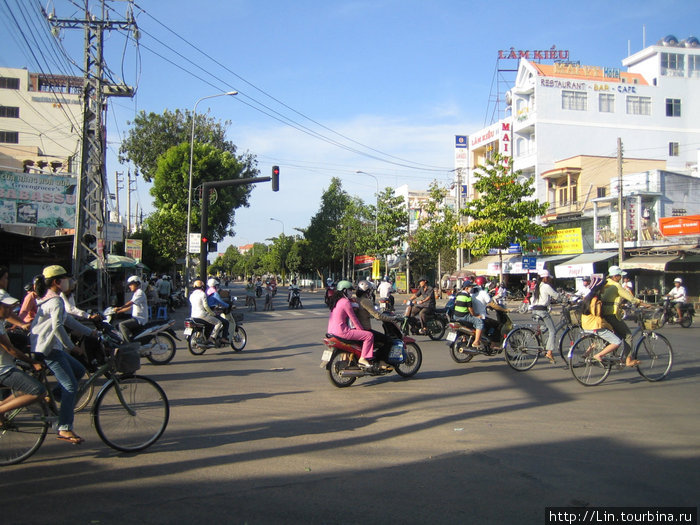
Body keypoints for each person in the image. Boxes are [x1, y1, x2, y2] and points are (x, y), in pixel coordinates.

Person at [30, 265, 94, 445]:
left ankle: (53, 398)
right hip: (48, 350)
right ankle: (64, 427)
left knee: (79, 370)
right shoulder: (56, 301)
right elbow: (58, 327)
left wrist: (91, 333)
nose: (68, 282)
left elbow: (69, 321)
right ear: (57, 282)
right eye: (65, 279)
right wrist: (72, 346)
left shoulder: (53, 299)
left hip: (52, 348)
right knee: (71, 386)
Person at [0, 291, 46, 426]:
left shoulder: (2, 323)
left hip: (6, 366)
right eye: (6, 307)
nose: (10, 310)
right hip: (3, 370)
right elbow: (11, 350)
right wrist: (32, 362)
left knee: (25, 388)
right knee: (39, 391)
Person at [601, 266, 651, 368]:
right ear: (615, 276)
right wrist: (643, 304)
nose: (621, 278)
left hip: (603, 313)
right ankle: (628, 360)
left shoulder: (604, 283)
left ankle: (614, 356)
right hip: (612, 314)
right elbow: (630, 298)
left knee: (618, 335)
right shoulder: (616, 286)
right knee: (628, 335)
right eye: (619, 276)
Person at [327, 280, 375, 369]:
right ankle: (363, 359)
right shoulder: (345, 302)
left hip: (331, 331)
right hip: (342, 332)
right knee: (369, 336)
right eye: (350, 290)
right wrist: (362, 330)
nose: (351, 293)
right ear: (344, 290)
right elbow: (354, 319)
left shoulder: (336, 301)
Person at [354, 280, 395, 371]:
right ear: (368, 291)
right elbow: (377, 315)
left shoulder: (356, 300)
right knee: (388, 340)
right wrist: (392, 319)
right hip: (366, 330)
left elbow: (364, 314)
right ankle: (381, 362)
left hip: (357, 329)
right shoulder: (365, 301)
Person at [580, 280, 623, 364]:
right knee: (617, 341)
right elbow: (599, 318)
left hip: (586, 326)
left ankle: (587, 352)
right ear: (599, 288)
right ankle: (599, 355)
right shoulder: (597, 301)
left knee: (601, 339)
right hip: (595, 326)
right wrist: (609, 327)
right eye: (603, 286)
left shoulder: (587, 298)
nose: (604, 288)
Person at [529, 270, 560, 364]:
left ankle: (538, 335)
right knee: (553, 331)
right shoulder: (546, 286)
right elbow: (556, 296)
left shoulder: (537, 286)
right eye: (549, 278)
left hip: (534, 310)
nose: (550, 279)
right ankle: (549, 352)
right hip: (542, 311)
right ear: (545, 278)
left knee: (545, 327)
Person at [114, 276, 149, 342]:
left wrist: (120, 307)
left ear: (136, 284)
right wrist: (118, 311)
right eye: (129, 285)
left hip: (140, 319)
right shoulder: (136, 294)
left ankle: (128, 344)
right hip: (136, 318)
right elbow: (130, 307)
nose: (130, 286)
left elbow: (130, 303)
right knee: (117, 326)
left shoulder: (139, 293)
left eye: (131, 284)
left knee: (122, 325)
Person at [189, 279, 222, 344]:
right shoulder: (202, 294)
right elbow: (206, 306)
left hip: (193, 315)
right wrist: (212, 313)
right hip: (202, 315)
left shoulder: (191, 295)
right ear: (202, 287)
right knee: (218, 323)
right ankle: (212, 337)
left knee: (209, 324)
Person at [453, 280, 484, 348]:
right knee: (479, 322)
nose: (471, 288)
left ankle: (464, 339)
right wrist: (476, 315)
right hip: (464, 316)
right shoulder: (467, 297)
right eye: (471, 287)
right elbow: (470, 310)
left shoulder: (458, 294)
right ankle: (476, 341)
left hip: (456, 316)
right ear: (466, 288)